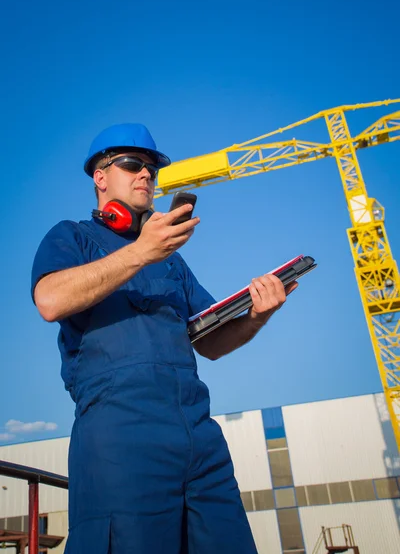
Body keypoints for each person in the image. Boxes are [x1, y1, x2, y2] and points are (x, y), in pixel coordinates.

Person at [31, 123, 297, 554]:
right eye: (133, 164)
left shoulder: (171, 262)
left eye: (152, 169)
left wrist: (256, 316)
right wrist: (140, 251)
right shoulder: (72, 236)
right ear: (100, 177)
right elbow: (50, 300)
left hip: (199, 439)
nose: (146, 176)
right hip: (121, 438)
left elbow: (210, 342)